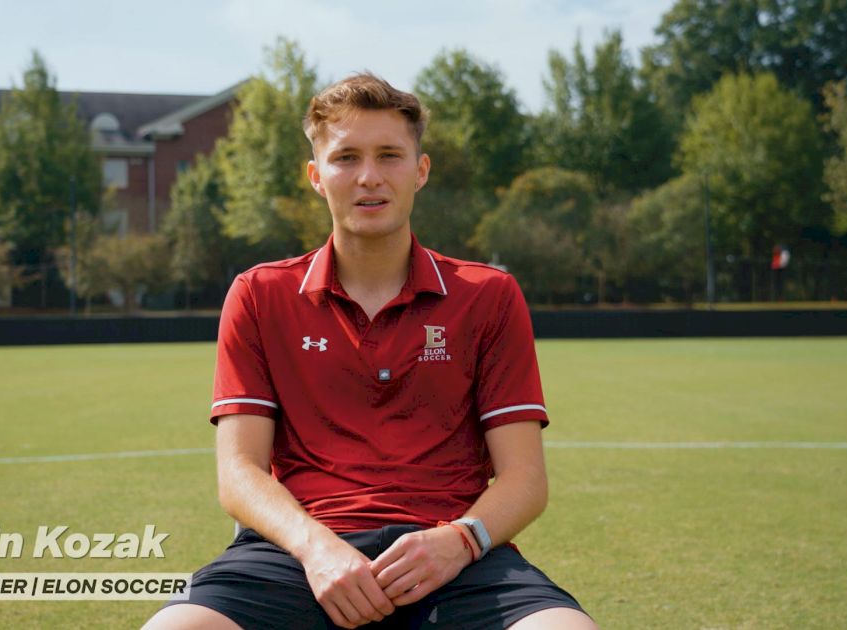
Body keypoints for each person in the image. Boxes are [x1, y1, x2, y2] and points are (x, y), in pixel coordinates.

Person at [144, 73, 595, 630]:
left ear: (420, 170)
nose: (369, 177)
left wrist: (460, 541)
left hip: (454, 558)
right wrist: (317, 549)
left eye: (390, 155)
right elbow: (238, 473)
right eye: (346, 158)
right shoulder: (260, 294)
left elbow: (526, 479)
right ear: (316, 175)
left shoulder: (489, 296)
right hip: (300, 555)